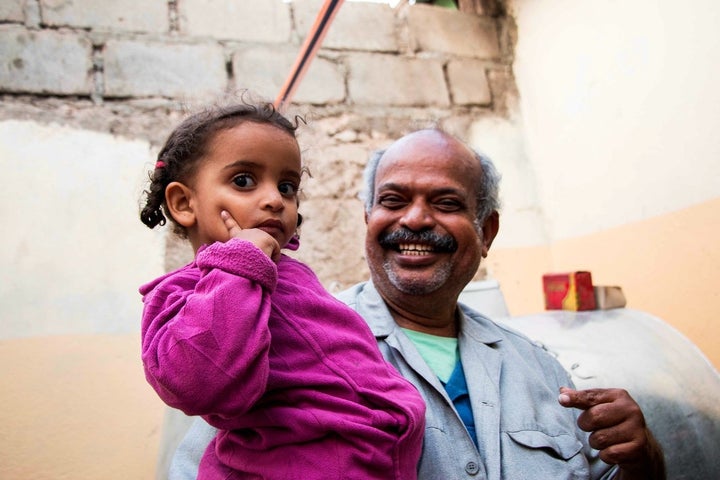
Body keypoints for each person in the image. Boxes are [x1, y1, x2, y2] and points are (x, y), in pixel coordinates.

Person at [166, 128, 666, 479]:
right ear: (368, 219)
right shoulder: (273, 340)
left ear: (486, 231)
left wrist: (641, 461)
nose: (417, 220)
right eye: (393, 200)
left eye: (446, 204)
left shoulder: (540, 368)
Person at [137, 100, 425, 480]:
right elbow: (198, 382)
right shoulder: (180, 294)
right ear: (183, 203)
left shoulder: (291, 275)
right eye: (243, 181)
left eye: (287, 186)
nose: (274, 199)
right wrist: (240, 262)